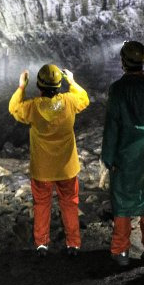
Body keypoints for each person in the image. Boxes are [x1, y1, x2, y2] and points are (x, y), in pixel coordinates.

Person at [8, 63, 89, 256]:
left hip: (42, 168)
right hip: (67, 167)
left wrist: (21, 87)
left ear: (39, 86)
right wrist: (72, 81)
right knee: (70, 203)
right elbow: (84, 99)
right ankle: (73, 244)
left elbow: (14, 108)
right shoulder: (70, 101)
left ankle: (42, 244)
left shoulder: (33, 106)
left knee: (42, 204)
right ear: (59, 85)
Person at [101, 40, 144, 267]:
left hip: (125, 154)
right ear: (143, 61)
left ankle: (120, 252)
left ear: (123, 62)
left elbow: (112, 126)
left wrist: (107, 158)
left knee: (122, 200)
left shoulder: (118, 89)